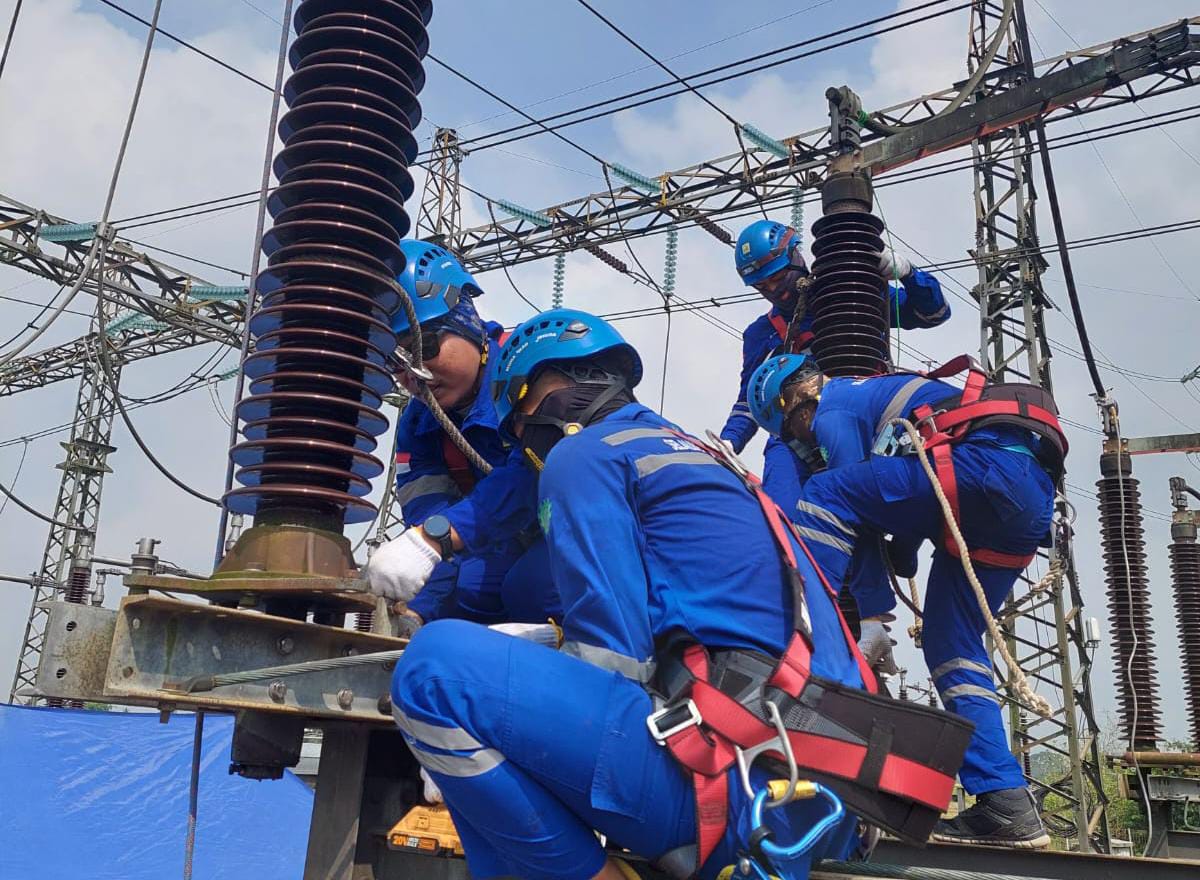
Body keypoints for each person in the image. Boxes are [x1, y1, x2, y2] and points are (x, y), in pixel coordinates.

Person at [378, 309, 881, 880]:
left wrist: (476, 738)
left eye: (521, 421)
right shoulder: (706, 461)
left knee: (432, 672)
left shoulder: (585, 454)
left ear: (544, 388)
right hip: (821, 796)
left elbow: (613, 661)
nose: (526, 441)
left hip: (738, 791)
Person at [747, 353, 1066, 848]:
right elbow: (895, 490)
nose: (804, 444)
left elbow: (854, 505)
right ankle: (1007, 805)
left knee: (825, 493)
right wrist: (904, 549)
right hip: (1024, 503)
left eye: (793, 432)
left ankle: (807, 632)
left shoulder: (834, 406)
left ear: (796, 402)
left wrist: (873, 616)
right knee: (952, 645)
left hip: (977, 470)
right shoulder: (876, 398)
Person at [367, 240, 558, 627]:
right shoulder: (420, 426)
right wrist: (420, 609)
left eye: (424, 346)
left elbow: (529, 477)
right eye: (395, 363)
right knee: (460, 591)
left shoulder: (535, 371)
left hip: (586, 531)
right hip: (511, 543)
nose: (413, 374)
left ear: (466, 323)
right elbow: (432, 523)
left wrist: (436, 538)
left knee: (531, 586)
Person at [723, 219, 950, 512]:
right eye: (762, 286)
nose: (775, 291)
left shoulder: (850, 292)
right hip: (796, 437)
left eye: (778, 278)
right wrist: (729, 443)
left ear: (795, 257)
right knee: (783, 511)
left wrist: (908, 274)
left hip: (867, 418)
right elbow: (749, 401)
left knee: (877, 509)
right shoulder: (762, 334)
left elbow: (933, 314)